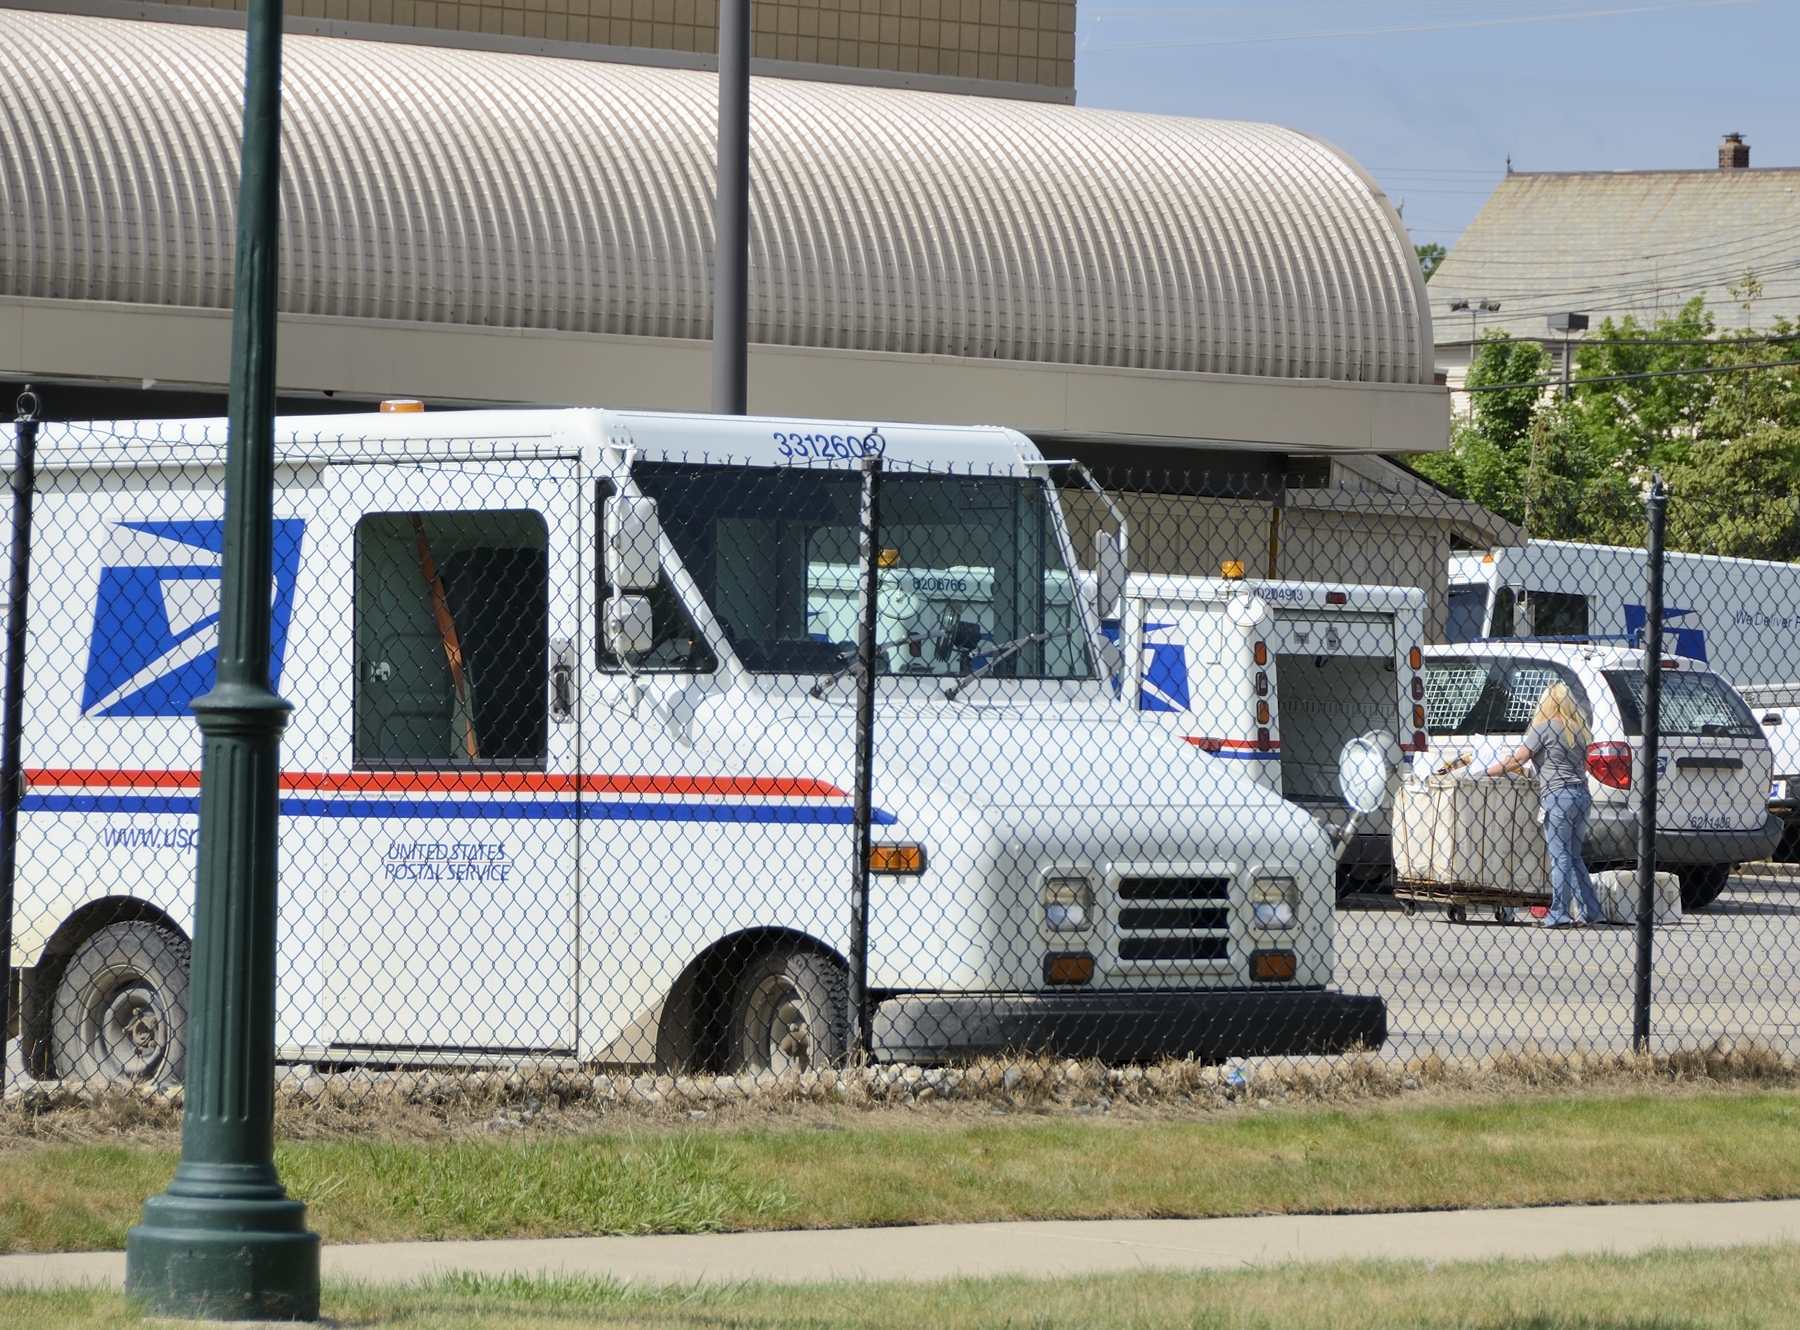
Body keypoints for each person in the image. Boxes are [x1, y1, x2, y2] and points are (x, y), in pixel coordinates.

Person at [1483, 682, 1605, 928]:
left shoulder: (1543, 728)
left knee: (1560, 857)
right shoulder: (1579, 730)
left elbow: (1518, 759)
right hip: (1582, 796)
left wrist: (1486, 772)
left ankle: (1559, 914)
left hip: (1558, 797)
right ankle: (1592, 912)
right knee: (1574, 856)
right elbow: (1582, 767)